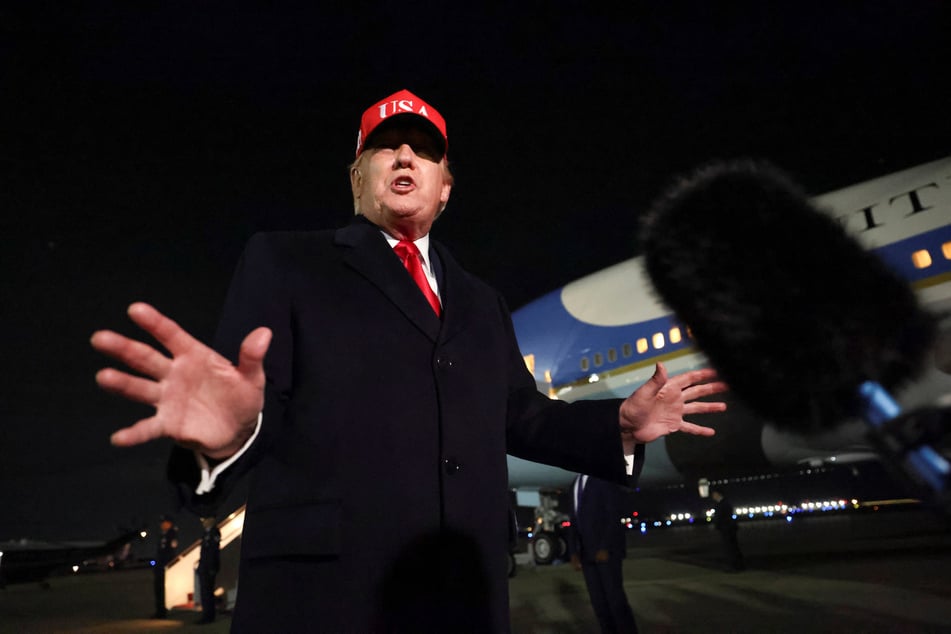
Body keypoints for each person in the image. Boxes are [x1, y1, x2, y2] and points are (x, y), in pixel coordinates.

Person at [91, 88, 728, 632]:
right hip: (326, 600)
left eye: (423, 151)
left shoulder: (482, 301)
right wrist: (224, 441)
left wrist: (616, 424)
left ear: (445, 188)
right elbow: (252, 397)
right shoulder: (285, 262)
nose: (404, 157)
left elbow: (521, 416)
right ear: (356, 178)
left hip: (464, 597)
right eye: (384, 147)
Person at [569, 474, 639, 633]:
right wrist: (573, 552)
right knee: (599, 605)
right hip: (587, 555)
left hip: (606, 554)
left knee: (616, 603)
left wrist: (605, 547)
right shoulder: (574, 484)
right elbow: (573, 520)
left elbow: (614, 515)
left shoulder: (604, 479)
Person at [196, 516, 221, 625]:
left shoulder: (214, 532)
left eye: (205, 520)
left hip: (209, 568)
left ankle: (209, 616)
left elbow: (213, 552)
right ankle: (206, 614)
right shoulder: (206, 533)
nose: (203, 522)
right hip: (204, 567)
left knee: (208, 592)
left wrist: (212, 568)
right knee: (204, 592)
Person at [711, 489, 745, 571]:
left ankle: (733, 565)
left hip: (726, 528)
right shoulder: (724, 503)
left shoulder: (722, 504)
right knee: (732, 547)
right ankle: (737, 565)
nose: (713, 497)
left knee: (729, 547)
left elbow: (721, 516)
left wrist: (717, 524)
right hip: (728, 527)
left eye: (714, 495)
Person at [152, 515, 178, 619]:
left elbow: (170, 551)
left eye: (164, 523)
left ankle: (161, 612)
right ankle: (159, 611)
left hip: (164, 566)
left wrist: (165, 565)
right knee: (158, 589)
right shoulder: (163, 535)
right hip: (159, 566)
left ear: (169, 523)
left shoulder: (172, 534)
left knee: (162, 590)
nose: (161, 525)